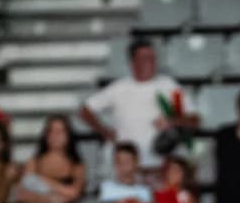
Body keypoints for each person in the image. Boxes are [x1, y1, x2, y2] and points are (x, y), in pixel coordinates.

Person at [79, 38, 185, 169]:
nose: (150, 62)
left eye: (152, 58)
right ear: (132, 62)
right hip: (128, 168)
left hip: (160, 165)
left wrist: (171, 121)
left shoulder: (169, 86)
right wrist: (104, 131)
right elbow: (85, 110)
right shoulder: (118, 88)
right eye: (145, 58)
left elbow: (193, 119)